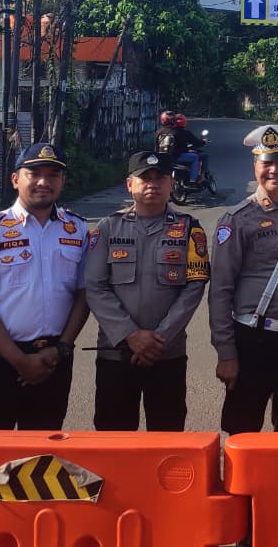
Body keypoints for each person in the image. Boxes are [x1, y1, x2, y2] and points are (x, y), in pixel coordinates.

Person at [0, 143, 90, 430]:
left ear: (62, 181)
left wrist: (62, 348)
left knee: (42, 453)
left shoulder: (77, 229)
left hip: (53, 359)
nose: (44, 182)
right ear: (15, 179)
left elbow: (84, 295)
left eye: (53, 175)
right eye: (34, 173)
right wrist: (19, 360)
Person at [85, 150, 211, 431]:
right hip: (116, 353)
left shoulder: (191, 229)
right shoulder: (107, 229)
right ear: (130, 184)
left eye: (160, 178)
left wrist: (159, 339)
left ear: (171, 184)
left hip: (167, 353)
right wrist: (131, 335)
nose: (152, 184)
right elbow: (95, 287)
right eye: (145, 178)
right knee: (112, 440)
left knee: (167, 439)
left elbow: (194, 287)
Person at [210, 124, 278, 434]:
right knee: (243, 431)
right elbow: (220, 291)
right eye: (266, 162)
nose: (275, 170)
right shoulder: (237, 219)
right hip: (254, 340)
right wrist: (226, 352)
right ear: (255, 166)